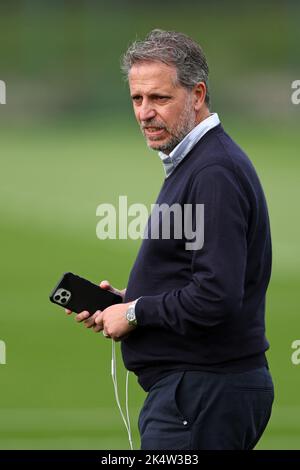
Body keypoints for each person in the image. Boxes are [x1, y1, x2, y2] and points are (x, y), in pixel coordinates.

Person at [68, 29, 274, 450]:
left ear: (197, 95)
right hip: (198, 391)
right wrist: (128, 300)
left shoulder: (213, 171)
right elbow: (194, 276)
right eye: (137, 99)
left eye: (159, 99)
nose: (144, 112)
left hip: (202, 392)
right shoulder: (196, 163)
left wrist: (137, 312)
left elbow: (216, 295)